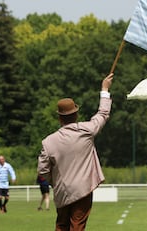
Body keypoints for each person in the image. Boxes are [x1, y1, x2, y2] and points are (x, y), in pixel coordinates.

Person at [37, 73, 114, 231]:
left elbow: (42, 171)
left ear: (59, 118)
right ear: (76, 114)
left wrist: (54, 181)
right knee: (77, 227)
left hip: (62, 192)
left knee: (61, 226)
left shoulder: (48, 142)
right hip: (83, 190)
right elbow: (103, 113)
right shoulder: (86, 130)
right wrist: (104, 89)